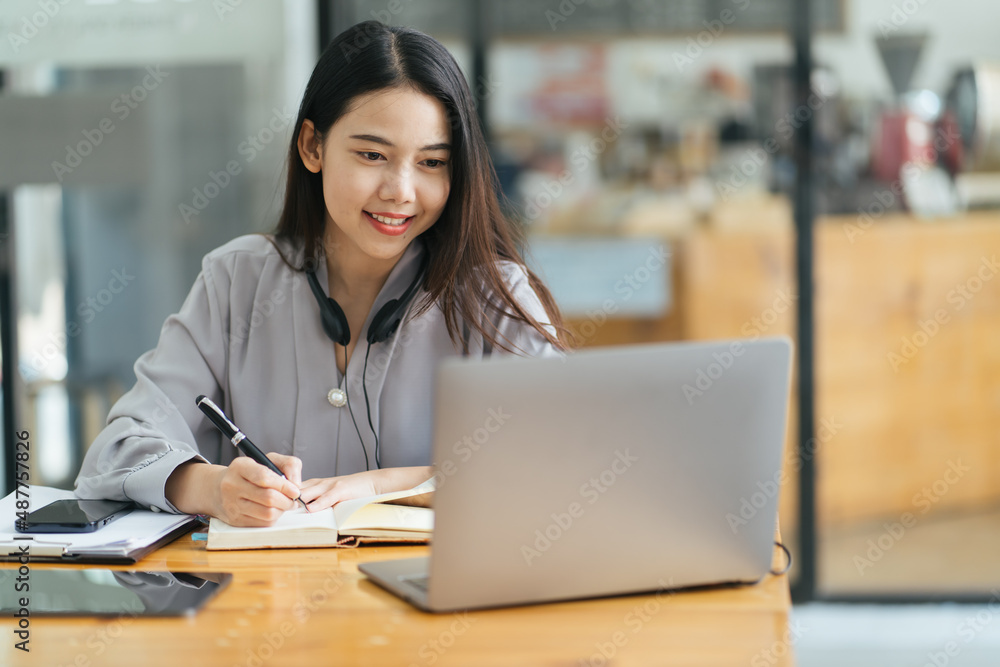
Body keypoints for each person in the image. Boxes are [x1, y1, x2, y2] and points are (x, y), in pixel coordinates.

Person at [75, 21, 567, 527]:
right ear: (312, 147)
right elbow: (114, 454)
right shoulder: (236, 280)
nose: (401, 190)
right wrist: (212, 486)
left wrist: (381, 486)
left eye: (431, 162)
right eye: (372, 155)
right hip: (262, 602)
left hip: (432, 602)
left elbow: (566, 456)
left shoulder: (491, 295)